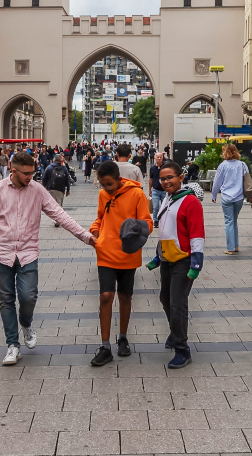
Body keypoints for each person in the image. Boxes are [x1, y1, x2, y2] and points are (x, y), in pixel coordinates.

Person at [0, 151, 96, 366]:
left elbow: (60, 215)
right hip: (1, 253)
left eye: (33, 173)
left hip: (28, 253)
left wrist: (86, 236)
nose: (31, 177)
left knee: (28, 296)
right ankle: (13, 345)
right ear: (13, 171)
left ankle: (26, 323)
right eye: (27, 173)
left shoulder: (38, 191)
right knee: (6, 300)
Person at [87, 160, 154, 366]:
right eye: (102, 184)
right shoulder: (102, 195)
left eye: (109, 184)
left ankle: (123, 337)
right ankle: (105, 345)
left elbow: (148, 223)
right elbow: (100, 218)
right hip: (105, 251)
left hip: (128, 253)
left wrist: (134, 230)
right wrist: (95, 232)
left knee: (125, 296)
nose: (106, 188)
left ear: (118, 179)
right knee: (106, 296)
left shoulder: (137, 194)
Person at [146, 159, 202, 369]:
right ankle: (175, 332)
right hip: (167, 258)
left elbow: (197, 234)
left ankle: (182, 349)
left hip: (184, 259)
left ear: (181, 177)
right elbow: (165, 231)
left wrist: (196, 263)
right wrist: (157, 256)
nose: (166, 181)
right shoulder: (168, 199)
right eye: (162, 179)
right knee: (165, 298)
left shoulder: (190, 201)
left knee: (177, 303)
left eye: (170, 177)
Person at [210, 143, 247, 254]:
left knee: (229, 222)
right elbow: (247, 180)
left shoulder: (223, 165)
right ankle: (235, 245)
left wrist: (214, 194)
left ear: (226, 152)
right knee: (234, 221)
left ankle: (230, 248)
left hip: (226, 196)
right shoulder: (242, 164)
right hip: (239, 197)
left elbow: (217, 182)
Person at [149, 152, 166, 217]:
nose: (159, 158)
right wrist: (149, 190)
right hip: (155, 190)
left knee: (164, 207)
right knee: (155, 207)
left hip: (164, 190)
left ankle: (163, 219)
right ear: (155, 158)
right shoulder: (152, 169)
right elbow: (151, 179)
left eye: (160, 157)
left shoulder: (165, 168)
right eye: (157, 157)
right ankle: (155, 220)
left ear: (162, 158)